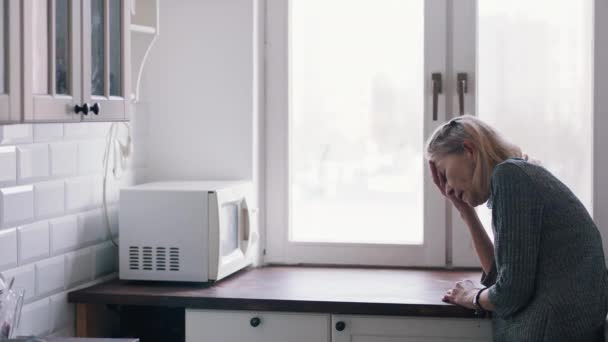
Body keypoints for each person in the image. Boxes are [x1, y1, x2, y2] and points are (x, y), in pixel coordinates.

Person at [425, 115, 608, 341]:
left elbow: (510, 294)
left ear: (469, 150)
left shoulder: (510, 177)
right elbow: (499, 277)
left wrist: (472, 296)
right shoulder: (517, 177)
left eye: (444, 174)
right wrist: (465, 211)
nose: (447, 187)